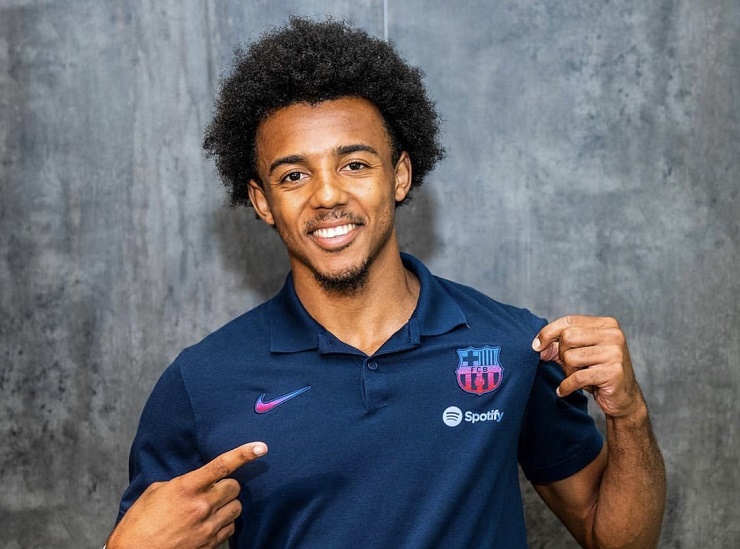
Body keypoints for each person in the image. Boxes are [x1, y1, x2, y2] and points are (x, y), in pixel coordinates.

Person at [107, 17, 666, 549]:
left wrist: (630, 415)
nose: (327, 195)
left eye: (354, 164)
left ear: (399, 175)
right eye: (294, 175)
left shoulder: (514, 347)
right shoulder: (202, 382)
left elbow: (617, 539)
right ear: (263, 201)